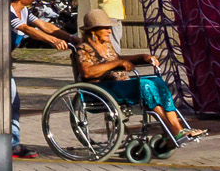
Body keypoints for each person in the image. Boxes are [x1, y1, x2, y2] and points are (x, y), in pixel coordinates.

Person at [75, 10, 201, 140]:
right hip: (102, 88)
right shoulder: (84, 48)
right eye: (106, 28)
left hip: (119, 84)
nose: (110, 31)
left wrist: (142, 57)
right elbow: (87, 72)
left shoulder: (106, 44)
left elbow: (119, 59)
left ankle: (177, 128)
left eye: (110, 28)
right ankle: (172, 131)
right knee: (145, 85)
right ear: (93, 30)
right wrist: (117, 63)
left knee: (157, 82)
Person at [10, 0, 71, 158]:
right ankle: (13, 145)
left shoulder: (25, 11)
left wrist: (72, 38)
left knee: (11, 101)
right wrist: (53, 41)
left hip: (2, 61)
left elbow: (43, 25)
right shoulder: (8, 11)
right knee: (11, 101)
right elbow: (28, 30)